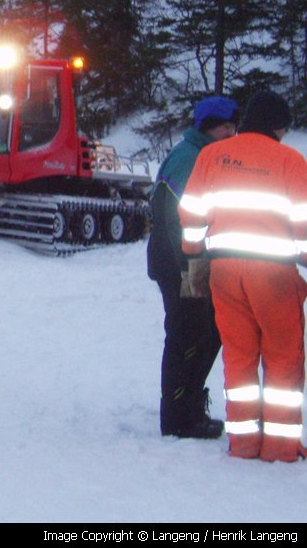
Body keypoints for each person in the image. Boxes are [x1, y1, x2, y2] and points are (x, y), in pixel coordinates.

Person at [180, 90, 307, 462]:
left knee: (238, 356)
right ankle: (281, 447)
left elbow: (190, 213)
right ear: (278, 126)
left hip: (223, 270)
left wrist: (194, 253)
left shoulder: (212, 155)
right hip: (273, 275)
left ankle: (244, 443)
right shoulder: (290, 160)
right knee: (283, 359)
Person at [148, 96, 239, 438]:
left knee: (203, 333)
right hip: (180, 262)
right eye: (224, 127)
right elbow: (179, 222)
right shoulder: (192, 159)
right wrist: (193, 273)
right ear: (207, 127)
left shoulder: (204, 155)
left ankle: (185, 409)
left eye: (233, 126)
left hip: (181, 260)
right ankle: (179, 417)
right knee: (190, 334)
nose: (230, 133)